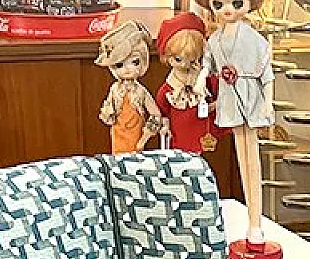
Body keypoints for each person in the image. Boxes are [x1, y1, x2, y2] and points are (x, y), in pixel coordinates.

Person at [192, 0, 282, 259]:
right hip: (230, 100)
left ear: (249, 1)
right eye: (218, 3)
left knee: (252, 158)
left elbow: (266, 74)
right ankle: (251, 223)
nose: (227, 9)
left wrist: (268, 105)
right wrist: (201, 80)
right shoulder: (215, 39)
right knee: (241, 158)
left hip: (251, 100)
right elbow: (208, 64)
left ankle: (256, 225)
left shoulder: (255, 40)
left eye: (236, 1)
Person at [155, 12, 221, 156]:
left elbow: (214, 96)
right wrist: (164, 125)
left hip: (203, 134)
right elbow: (162, 109)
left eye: (191, 60)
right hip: (178, 135)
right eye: (178, 59)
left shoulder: (203, 80)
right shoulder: (169, 89)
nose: (185, 65)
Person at [95, 20, 162, 155]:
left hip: (136, 136)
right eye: (119, 65)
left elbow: (156, 114)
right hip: (118, 134)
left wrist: (144, 138)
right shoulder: (115, 89)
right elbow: (108, 113)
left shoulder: (140, 91)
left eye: (134, 62)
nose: (127, 70)